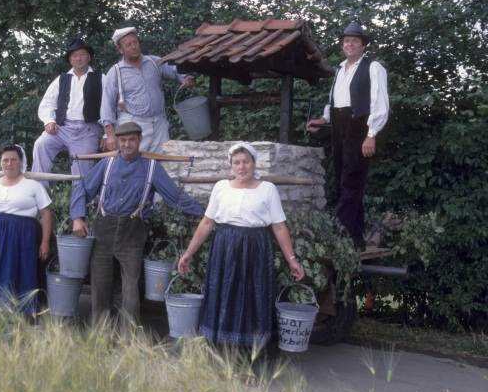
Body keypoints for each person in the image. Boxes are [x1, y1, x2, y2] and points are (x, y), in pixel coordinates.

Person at [70, 121, 204, 322]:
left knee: (131, 287)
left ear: (140, 140)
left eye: (132, 140)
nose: (127, 144)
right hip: (103, 230)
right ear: (118, 142)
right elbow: (82, 188)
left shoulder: (152, 167)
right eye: (123, 140)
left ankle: (129, 335)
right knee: (100, 283)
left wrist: (206, 214)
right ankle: (99, 333)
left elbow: (175, 197)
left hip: (133, 232)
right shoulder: (107, 164)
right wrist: (77, 218)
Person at [177, 143, 305, 347]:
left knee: (253, 295)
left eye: (246, 162)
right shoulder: (221, 187)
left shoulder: (267, 189)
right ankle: (221, 347)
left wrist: (292, 260)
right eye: (236, 163)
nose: (241, 167)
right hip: (224, 247)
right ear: (231, 165)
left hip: (255, 247)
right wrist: (188, 253)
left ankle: (250, 350)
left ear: (254, 163)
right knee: (223, 292)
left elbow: (279, 227)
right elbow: (207, 223)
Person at [306, 22, 389, 251]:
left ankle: (341, 237)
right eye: (346, 40)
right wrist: (323, 119)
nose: (349, 44)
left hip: (359, 125)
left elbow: (379, 102)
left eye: (354, 40)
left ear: (363, 45)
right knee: (344, 181)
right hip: (339, 124)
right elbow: (335, 101)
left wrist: (371, 133)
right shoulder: (340, 69)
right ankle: (355, 238)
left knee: (351, 180)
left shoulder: (373, 67)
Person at [0, 142, 53, 315]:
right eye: (5, 160)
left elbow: (46, 214)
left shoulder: (33, 185)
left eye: (13, 159)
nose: (9, 164)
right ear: (0, 162)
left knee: (23, 271)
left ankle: (24, 314)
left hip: (23, 236)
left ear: (21, 161)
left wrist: (45, 242)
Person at [99, 26, 197, 153]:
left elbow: (175, 71)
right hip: (132, 125)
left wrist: (186, 77)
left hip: (159, 124)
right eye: (128, 45)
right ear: (120, 49)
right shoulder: (115, 72)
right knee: (133, 161)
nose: (134, 47)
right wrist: (110, 135)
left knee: (160, 161)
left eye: (135, 42)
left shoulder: (154, 61)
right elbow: (107, 104)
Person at [33, 38, 107, 187]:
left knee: (81, 174)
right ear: (70, 59)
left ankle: (79, 198)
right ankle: (39, 190)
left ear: (89, 57)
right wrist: (49, 121)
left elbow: (110, 107)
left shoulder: (101, 79)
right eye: (74, 55)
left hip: (87, 130)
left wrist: (107, 134)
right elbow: (47, 103)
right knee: (41, 144)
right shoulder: (61, 79)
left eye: (82, 54)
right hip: (61, 128)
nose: (78, 58)